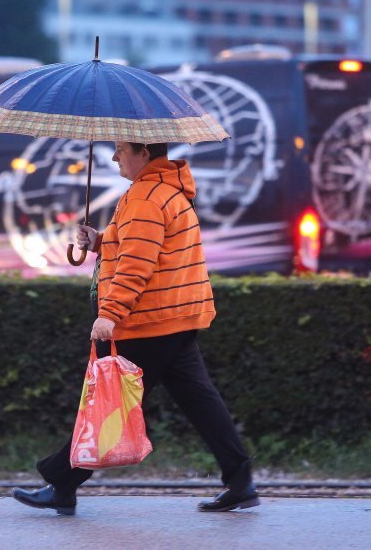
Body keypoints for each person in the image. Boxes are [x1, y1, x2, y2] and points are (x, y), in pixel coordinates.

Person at [13, 142, 259, 515]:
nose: (114, 158)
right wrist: (100, 242)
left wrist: (109, 313)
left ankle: (62, 481)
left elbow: (136, 265)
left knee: (108, 405)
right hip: (174, 317)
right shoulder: (166, 190)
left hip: (148, 322)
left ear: (143, 152)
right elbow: (141, 247)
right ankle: (240, 481)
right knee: (200, 401)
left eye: (121, 150)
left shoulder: (145, 197)